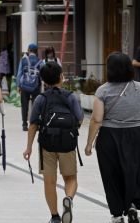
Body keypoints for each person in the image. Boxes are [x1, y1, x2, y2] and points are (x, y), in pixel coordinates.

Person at [23, 62, 82, 223]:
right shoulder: (71, 97)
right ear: (61, 77)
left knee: (50, 181)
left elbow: (33, 124)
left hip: (47, 143)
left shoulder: (41, 99)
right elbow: (79, 118)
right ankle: (68, 198)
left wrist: (28, 148)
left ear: (44, 81)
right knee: (70, 178)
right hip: (67, 143)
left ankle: (55, 217)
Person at [85, 52, 140, 223]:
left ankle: (117, 214)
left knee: (111, 175)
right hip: (136, 134)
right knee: (134, 172)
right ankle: (132, 204)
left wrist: (89, 143)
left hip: (110, 137)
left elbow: (96, 119)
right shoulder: (139, 87)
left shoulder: (103, 90)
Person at [17, 43, 43, 131]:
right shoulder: (40, 61)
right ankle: (35, 123)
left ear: (29, 50)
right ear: (36, 51)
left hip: (24, 86)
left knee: (24, 105)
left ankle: (24, 124)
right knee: (36, 105)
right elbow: (42, 74)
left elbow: (19, 73)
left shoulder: (23, 60)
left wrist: (18, 85)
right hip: (36, 86)